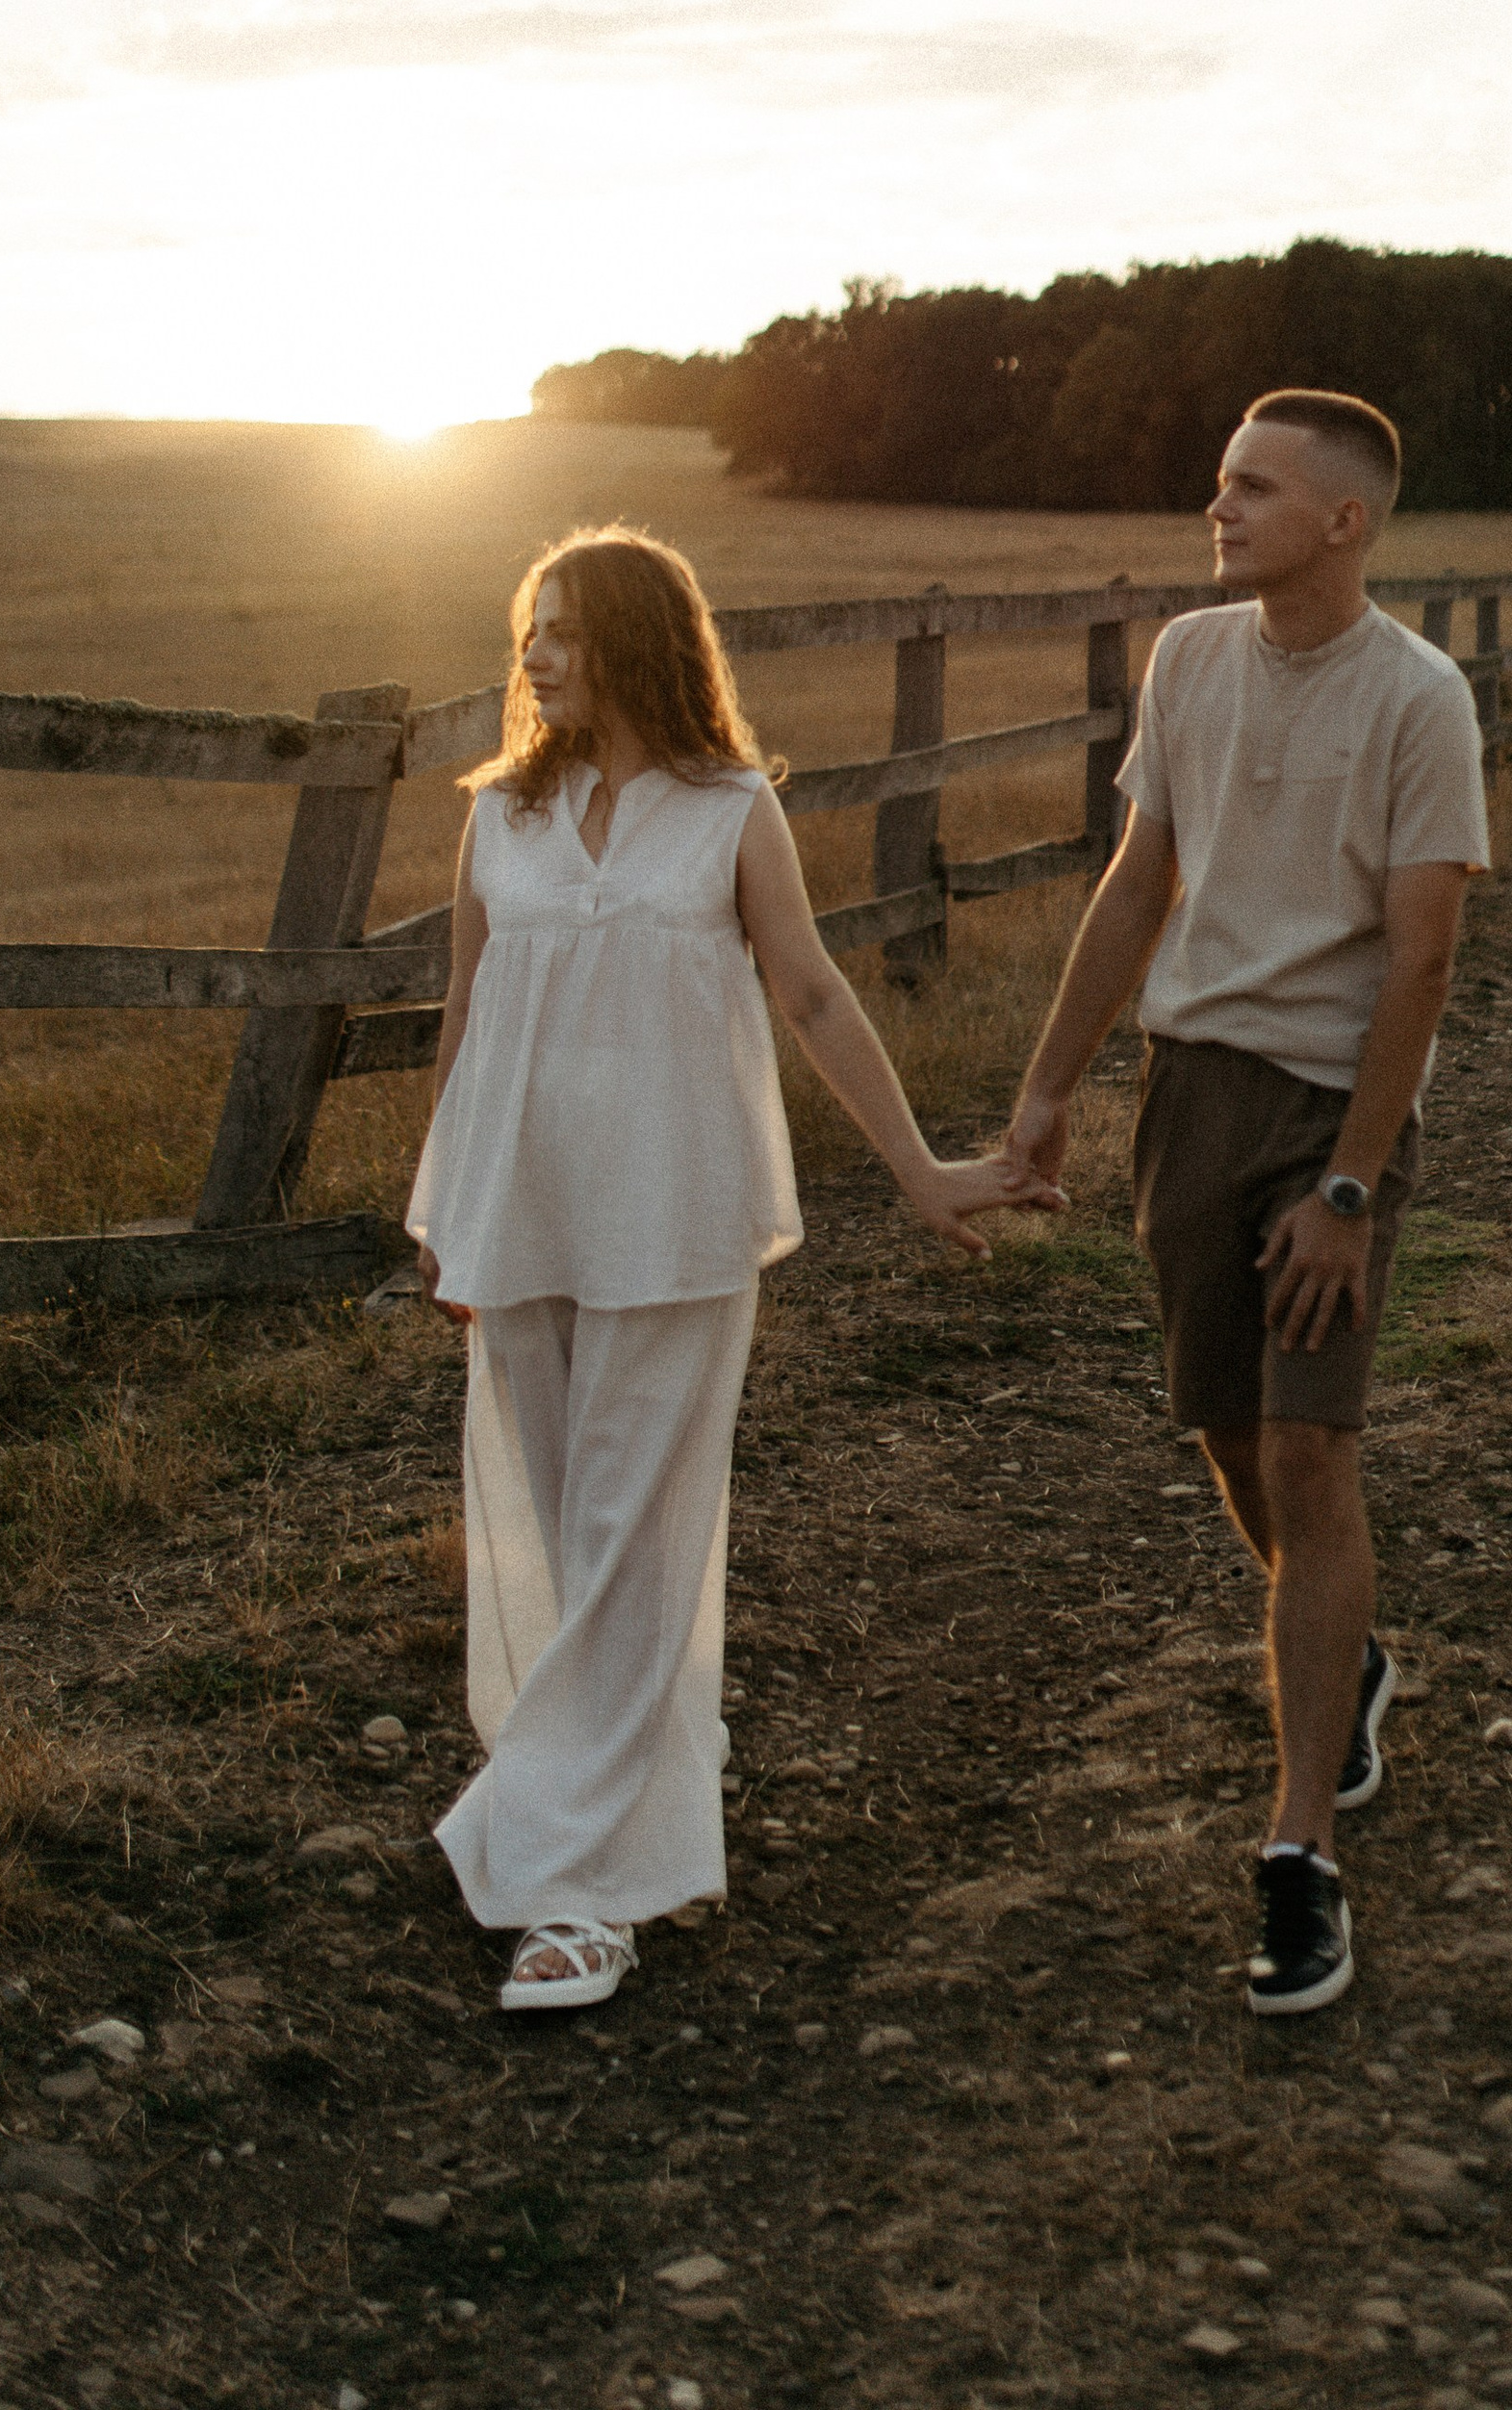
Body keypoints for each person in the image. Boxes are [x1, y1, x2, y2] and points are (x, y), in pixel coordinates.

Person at [410, 526, 1059, 2012]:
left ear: (641, 639)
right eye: (528, 628)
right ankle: (626, 1788)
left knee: (636, 1535)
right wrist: (441, 1206)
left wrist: (921, 1172)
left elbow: (816, 997)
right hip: (520, 1213)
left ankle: (579, 1892)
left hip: (674, 1217)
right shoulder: (497, 819)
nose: (535, 655)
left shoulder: (728, 813)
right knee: (565, 1531)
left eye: (563, 629)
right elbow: (465, 1011)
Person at [1003, 392, 1489, 2015]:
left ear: (1344, 520)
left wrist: (1352, 1181)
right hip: (1191, 1087)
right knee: (1224, 1427)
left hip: (1333, 1106)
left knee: (1306, 1445)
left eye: (1254, 487)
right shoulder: (1194, 662)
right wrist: (1051, 1082)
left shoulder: (1422, 703)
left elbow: (1421, 959)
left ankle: (1298, 1856)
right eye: (1220, 478)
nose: (1220, 507)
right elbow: (1142, 880)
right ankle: (1343, 1659)